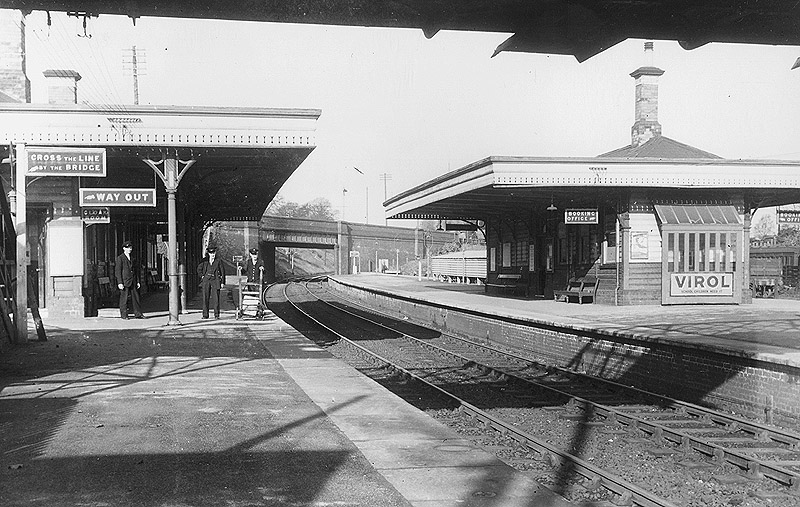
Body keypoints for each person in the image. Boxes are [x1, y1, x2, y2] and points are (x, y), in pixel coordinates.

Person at [115, 241, 145, 320]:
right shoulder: (120, 258)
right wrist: (120, 282)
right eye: (128, 248)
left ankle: (138, 314)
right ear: (124, 248)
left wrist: (138, 281)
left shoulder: (133, 258)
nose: (130, 249)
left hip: (133, 281)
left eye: (131, 248)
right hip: (124, 281)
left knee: (136, 298)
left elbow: (136, 271)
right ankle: (124, 315)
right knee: (124, 299)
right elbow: (118, 271)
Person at [197, 245, 226, 319]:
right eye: (211, 253)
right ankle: (205, 315)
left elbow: (223, 272)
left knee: (216, 298)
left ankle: (216, 315)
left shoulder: (218, 261)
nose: (212, 255)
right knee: (205, 297)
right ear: (208, 253)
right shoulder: (204, 260)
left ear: (215, 253)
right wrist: (202, 276)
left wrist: (222, 282)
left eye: (213, 253)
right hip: (206, 280)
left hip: (215, 280)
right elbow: (199, 269)